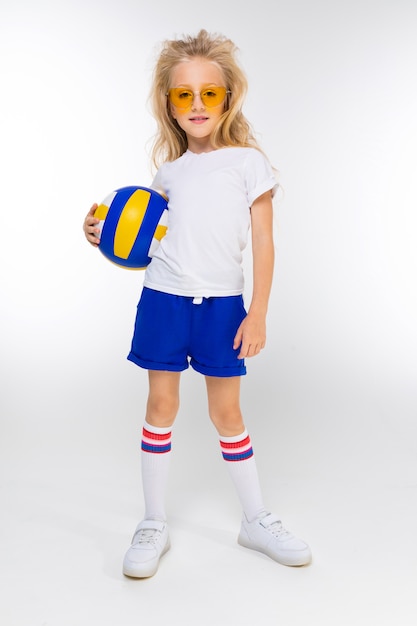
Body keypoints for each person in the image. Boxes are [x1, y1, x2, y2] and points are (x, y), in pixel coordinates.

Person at [83, 29, 311, 578]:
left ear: (228, 98)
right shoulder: (166, 175)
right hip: (163, 300)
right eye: (184, 94)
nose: (197, 105)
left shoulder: (248, 163)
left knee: (226, 411)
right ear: (169, 102)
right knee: (160, 408)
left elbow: (263, 242)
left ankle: (255, 519)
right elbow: (145, 243)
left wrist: (257, 311)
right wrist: (98, 231)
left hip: (223, 306)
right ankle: (153, 521)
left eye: (209, 93)